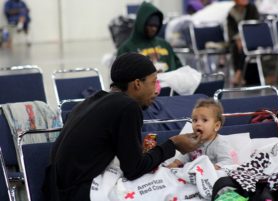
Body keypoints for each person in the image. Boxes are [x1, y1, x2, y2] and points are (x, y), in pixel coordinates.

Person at [43, 53, 203, 201]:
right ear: (137, 84)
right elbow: (133, 169)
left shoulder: (92, 100)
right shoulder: (128, 107)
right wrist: (173, 144)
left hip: (56, 189)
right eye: (154, 82)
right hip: (78, 193)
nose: (156, 91)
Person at [167, 99, 236, 170]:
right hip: (193, 173)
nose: (198, 124)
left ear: (216, 126)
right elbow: (186, 155)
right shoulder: (193, 141)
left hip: (211, 176)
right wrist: (176, 163)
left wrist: (213, 168)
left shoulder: (220, 144)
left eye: (204, 120)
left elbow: (227, 161)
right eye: (195, 120)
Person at [117, 1, 182, 73]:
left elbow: (180, 69)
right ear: (141, 23)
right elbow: (121, 79)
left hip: (169, 83)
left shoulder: (165, 45)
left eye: (156, 26)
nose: (154, 29)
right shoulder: (126, 49)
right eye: (150, 25)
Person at [226, 0, 259, 86]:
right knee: (235, 47)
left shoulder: (252, 8)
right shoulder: (231, 12)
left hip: (252, 38)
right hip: (238, 40)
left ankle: (239, 73)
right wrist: (238, 38)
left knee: (244, 46)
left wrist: (244, 38)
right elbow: (231, 31)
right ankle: (239, 73)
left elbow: (255, 26)